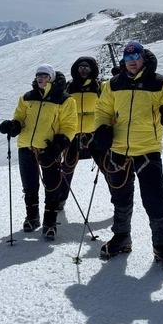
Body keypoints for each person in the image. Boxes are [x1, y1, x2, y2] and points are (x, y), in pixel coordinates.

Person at [92, 41, 163, 273]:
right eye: (128, 58)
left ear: (143, 58)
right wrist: (101, 128)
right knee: (120, 198)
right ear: (123, 61)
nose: (132, 61)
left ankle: (162, 247)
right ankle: (121, 237)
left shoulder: (160, 83)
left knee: (155, 201)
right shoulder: (113, 84)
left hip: (147, 151)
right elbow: (103, 110)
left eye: (136, 56)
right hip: (119, 151)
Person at [0, 64, 78, 241]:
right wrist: (13, 126)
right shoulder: (27, 97)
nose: (40, 78)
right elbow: (20, 118)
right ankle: (32, 217)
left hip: (49, 149)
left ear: (51, 77)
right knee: (29, 185)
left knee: (52, 186)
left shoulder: (65, 100)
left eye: (44, 75)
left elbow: (69, 126)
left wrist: (58, 146)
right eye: (38, 75)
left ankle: (50, 223)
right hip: (26, 146)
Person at [59, 56, 102, 210]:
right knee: (68, 166)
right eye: (81, 67)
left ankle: (118, 199)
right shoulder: (70, 86)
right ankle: (60, 198)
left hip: (93, 131)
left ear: (92, 69)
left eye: (87, 68)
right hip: (73, 131)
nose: (84, 70)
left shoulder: (99, 86)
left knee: (105, 165)